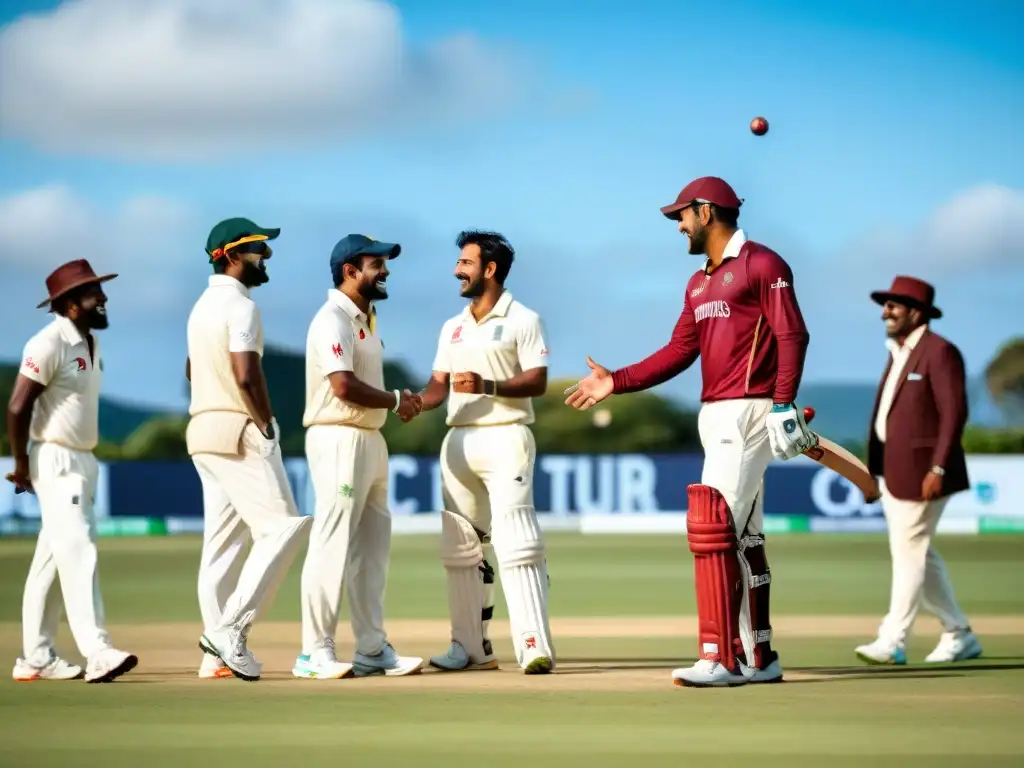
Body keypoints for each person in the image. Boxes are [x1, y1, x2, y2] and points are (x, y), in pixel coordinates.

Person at [565, 177, 815, 687]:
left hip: (749, 411)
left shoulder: (762, 264)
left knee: (712, 529)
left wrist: (783, 402)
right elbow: (680, 350)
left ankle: (719, 657)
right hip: (716, 414)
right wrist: (617, 380)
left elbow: (793, 332)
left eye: (682, 215)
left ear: (706, 212)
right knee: (743, 536)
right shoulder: (699, 281)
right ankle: (758, 657)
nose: (678, 226)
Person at [418, 230, 555, 675]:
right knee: (461, 549)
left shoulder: (524, 319)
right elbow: (440, 383)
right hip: (458, 439)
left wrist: (489, 385)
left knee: (516, 541)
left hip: (506, 433)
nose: (457, 269)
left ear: (490, 270)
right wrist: (417, 401)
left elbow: (537, 380)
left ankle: (533, 644)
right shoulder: (451, 326)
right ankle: (469, 648)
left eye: (466, 262)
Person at [292, 234, 424, 679]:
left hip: (370, 439)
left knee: (372, 549)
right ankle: (314, 651)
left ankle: (371, 648)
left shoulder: (367, 318)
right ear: (350, 270)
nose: (385, 270)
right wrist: (396, 399)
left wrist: (391, 405)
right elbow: (342, 386)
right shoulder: (331, 318)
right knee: (332, 542)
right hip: (338, 438)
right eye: (376, 263)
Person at [185, 217, 311, 682]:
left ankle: (215, 654)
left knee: (222, 547)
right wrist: (264, 423)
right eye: (260, 249)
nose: (268, 256)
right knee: (284, 528)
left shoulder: (200, 308)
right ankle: (228, 632)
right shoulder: (242, 308)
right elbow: (245, 374)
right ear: (233, 255)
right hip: (239, 429)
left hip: (202, 429)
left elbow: (191, 369)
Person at [6, 259, 138, 683]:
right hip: (56, 459)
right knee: (80, 551)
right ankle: (97, 651)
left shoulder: (90, 342)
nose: (102, 298)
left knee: (51, 560)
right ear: (70, 305)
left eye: (99, 290)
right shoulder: (48, 343)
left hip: (83, 460)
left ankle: (35, 657)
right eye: (92, 292)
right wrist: (22, 463)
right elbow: (17, 405)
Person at [856, 276, 981, 665]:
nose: (885, 312)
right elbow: (888, 419)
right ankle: (958, 633)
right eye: (885, 305)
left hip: (925, 472)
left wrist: (939, 466)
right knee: (919, 555)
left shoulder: (939, 352)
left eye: (894, 305)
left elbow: (953, 413)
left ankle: (892, 640)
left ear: (916, 311)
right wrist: (871, 473)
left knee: (909, 551)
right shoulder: (899, 352)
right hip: (894, 471)